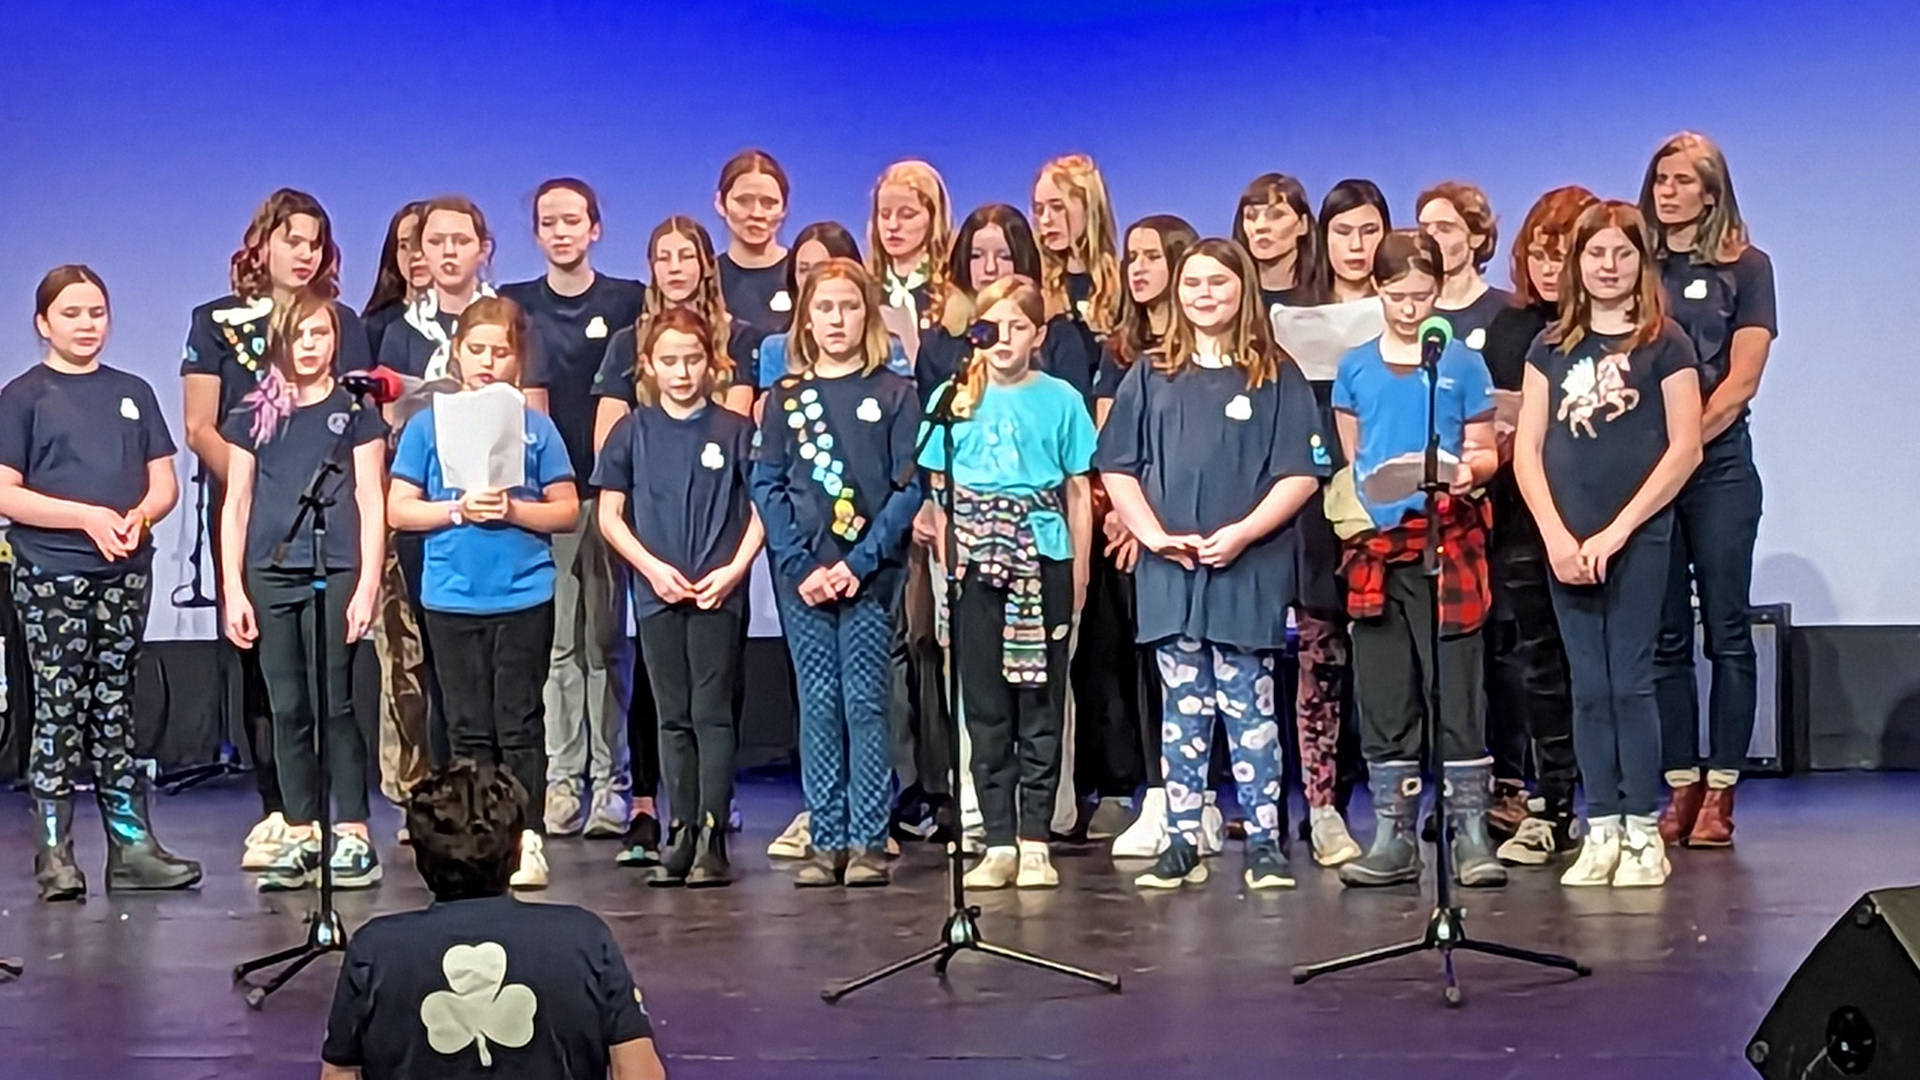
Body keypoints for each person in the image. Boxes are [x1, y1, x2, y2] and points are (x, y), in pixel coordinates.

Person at [1096, 239, 1328, 892]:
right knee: (1183, 710)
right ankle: (1180, 841)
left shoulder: (1275, 374)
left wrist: (1244, 533)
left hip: (1246, 568)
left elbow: (1301, 471)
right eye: (1193, 283)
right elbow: (1117, 464)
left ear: (1243, 290)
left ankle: (1265, 843)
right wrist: (1152, 535)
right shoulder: (1151, 373)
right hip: (1171, 571)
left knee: (1249, 707)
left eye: (1218, 283)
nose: (1204, 295)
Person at [181, 188, 372, 870]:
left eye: (316, 243)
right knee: (271, 683)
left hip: (329, 524)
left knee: (331, 691)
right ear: (262, 243)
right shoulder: (217, 321)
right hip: (258, 519)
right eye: (293, 240)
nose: (305, 253)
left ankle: (345, 822)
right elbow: (201, 426)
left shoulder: (342, 321)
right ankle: (284, 813)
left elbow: (356, 425)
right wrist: (263, 479)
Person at [1514, 200, 1703, 889]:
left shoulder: (1665, 343)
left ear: (1641, 262)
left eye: (1624, 253)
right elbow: (1528, 449)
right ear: (1578, 262)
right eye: (1597, 254)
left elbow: (1685, 447)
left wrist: (1619, 530)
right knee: (1588, 688)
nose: (1609, 266)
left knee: (1630, 681)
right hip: (1567, 539)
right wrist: (1557, 536)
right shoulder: (1549, 348)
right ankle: (1602, 827)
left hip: (1637, 536)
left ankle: (1642, 829)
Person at [3, 265, 201, 902]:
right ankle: (55, 852)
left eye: (96, 312)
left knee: (115, 706)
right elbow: (6, 492)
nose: (86, 325)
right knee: (59, 707)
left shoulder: (132, 391)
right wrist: (85, 518)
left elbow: (164, 480)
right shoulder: (24, 397)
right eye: (71, 313)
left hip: (124, 572)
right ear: (43, 323)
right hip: (52, 571)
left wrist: (140, 515)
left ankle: (131, 845)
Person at [1333, 230, 1505, 891]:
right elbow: (1355, 455)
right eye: (1398, 295)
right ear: (1377, 291)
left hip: (1446, 537)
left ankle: (1470, 831)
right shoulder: (1356, 367)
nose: (1410, 309)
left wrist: (1468, 472)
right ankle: (1393, 834)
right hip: (1380, 547)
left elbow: (1484, 448)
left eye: (1423, 296)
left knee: (1456, 687)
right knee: (1384, 691)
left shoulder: (1460, 363)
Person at [388, 296, 579, 890]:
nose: (488, 362)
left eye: (500, 352)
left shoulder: (535, 426)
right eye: (477, 350)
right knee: (467, 726)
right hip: (452, 596)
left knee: (519, 722)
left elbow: (567, 509)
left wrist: (516, 510)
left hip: (522, 593)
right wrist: (456, 511)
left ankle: (525, 839)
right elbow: (399, 507)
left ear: (517, 360)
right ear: (457, 353)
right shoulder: (428, 425)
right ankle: (476, 841)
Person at [320, 761, 667, 1080]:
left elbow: (339, 1075)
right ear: (518, 852)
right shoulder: (584, 938)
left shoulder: (375, 950)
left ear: (418, 856)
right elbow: (639, 1071)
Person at [751, 258, 924, 889]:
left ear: (867, 315)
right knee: (819, 702)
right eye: (824, 308)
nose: (836, 320)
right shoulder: (785, 399)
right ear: (806, 319)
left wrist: (859, 563)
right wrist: (800, 563)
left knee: (866, 702)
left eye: (849, 307)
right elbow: (767, 483)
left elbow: (909, 489)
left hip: (870, 577)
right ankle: (826, 837)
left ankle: (869, 837)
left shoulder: (896, 394)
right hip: (803, 579)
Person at [920, 275, 1095, 889]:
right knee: (985, 705)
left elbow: (1078, 491)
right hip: (975, 563)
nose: (1004, 339)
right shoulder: (953, 398)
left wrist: (1078, 568)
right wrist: (950, 557)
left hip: (1041, 557)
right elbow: (937, 491)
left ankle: (1035, 837)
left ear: (1037, 335)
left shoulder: (1061, 399)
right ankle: (996, 838)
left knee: (1039, 701)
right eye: (992, 326)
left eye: (1018, 327)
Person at [589, 215, 754, 866]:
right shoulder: (632, 431)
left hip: (717, 593)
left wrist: (733, 570)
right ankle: (679, 832)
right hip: (657, 593)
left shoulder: (734, 430)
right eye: (669, 361)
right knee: (671, 714)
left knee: (712, 713)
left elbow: (761, 509)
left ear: (711, 364)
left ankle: (711, 831)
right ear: (649, 366)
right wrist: (651, 570)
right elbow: (610, 515)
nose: (682, 372)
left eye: (692, 360)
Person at [219, 289, 388, 892]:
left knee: (333, 703)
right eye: (300, 335)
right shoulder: (253, 414)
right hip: (270, 570)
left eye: (321, 334)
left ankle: (354, 831)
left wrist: (367, 584)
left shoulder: (355, 412)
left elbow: (371, 499)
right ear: (280, 343)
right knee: (287, 705)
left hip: (335, 567)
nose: (310, 346)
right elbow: (237, 503)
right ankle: (301, 829)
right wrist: (233, 587)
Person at [1640, 132, 1777, 849]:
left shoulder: (1747, 267)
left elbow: (1742, 379)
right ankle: (1680, 784)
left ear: (1712, 192)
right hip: (1648, 473)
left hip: (1718, 468)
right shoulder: (1637, 267)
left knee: (1726, 629)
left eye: (1683, 181)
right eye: (1660, 179)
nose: (1668, 192)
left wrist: (1688, 442)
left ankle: (1722, 788)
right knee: (1665, 635)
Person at [502, 178, 647, 844]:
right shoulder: (518, 304)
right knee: (561, 644)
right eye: (549, 222)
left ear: (595, 228)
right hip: (549, 498)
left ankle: (611, 782)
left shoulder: (628, 300)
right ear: (536, 233)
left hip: (611, 495)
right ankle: (562, 782)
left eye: (572, 221)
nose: (561, 233)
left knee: (606, 643)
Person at [1481, 186, 1597, 865]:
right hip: (1525, 518)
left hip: (1600, 517)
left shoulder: (1615, 331)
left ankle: (1613, 806)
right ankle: (1550, 804)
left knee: (1602, 667)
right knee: (1540, 664)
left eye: (1562, 256)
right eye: (1538, 255)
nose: (1549, 270)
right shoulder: (1511, 328)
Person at [1086, 214, 1196, 858]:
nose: (1139, 269)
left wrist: (1156, 521)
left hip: (1187, 520)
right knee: (1133, 661)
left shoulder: (1204, 346)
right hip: (1129, 524)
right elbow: (1113, 445)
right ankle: (1154, 790)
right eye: (1133, 257)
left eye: (1152, 256)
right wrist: (1126, 517)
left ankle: (1194, 798)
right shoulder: (1120, 351)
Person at [361, 199, 437, 812]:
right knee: (401, 654)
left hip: (466, 508)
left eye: (427, 242)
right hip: (395, 503)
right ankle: (409, 786)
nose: (417, 256)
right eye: (405, 244)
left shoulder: (480, 322)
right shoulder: (379, 330)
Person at [1031, 153, 1120, 401]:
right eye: (1039, 209)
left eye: (1057, 207)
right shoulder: (1034, 288)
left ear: (1089, 208)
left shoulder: (1123, 285)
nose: (1046, 220)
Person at [1417, 181, 1513, 352]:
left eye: (1445, 228)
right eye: (1424, 230)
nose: (1430, 238)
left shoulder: (1508, 311)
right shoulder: (1407, 311)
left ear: (1476, 238)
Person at [868, 160, 954, 336]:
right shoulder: (866, 290)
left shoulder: (952, 289)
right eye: (884, 215)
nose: (892, 225)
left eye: (907, 215)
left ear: (933, 218)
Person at [713, 149, 794, 336]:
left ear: (784, 208)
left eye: (769, 203)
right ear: (720, 203)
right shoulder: (706, 280)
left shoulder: (804, 273)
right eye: (743, 201)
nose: (757, 213)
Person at [1233, 173, 1321, 309]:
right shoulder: (1231, 300)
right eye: (1251, 216)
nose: (1260, 226)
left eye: (1276, 215)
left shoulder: (1329, 297)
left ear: (1303, 225)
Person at [361, 200, 432, 358]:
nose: (416, 255)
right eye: (404, 246)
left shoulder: (472, 315)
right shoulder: (374, 326)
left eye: (424, 243)